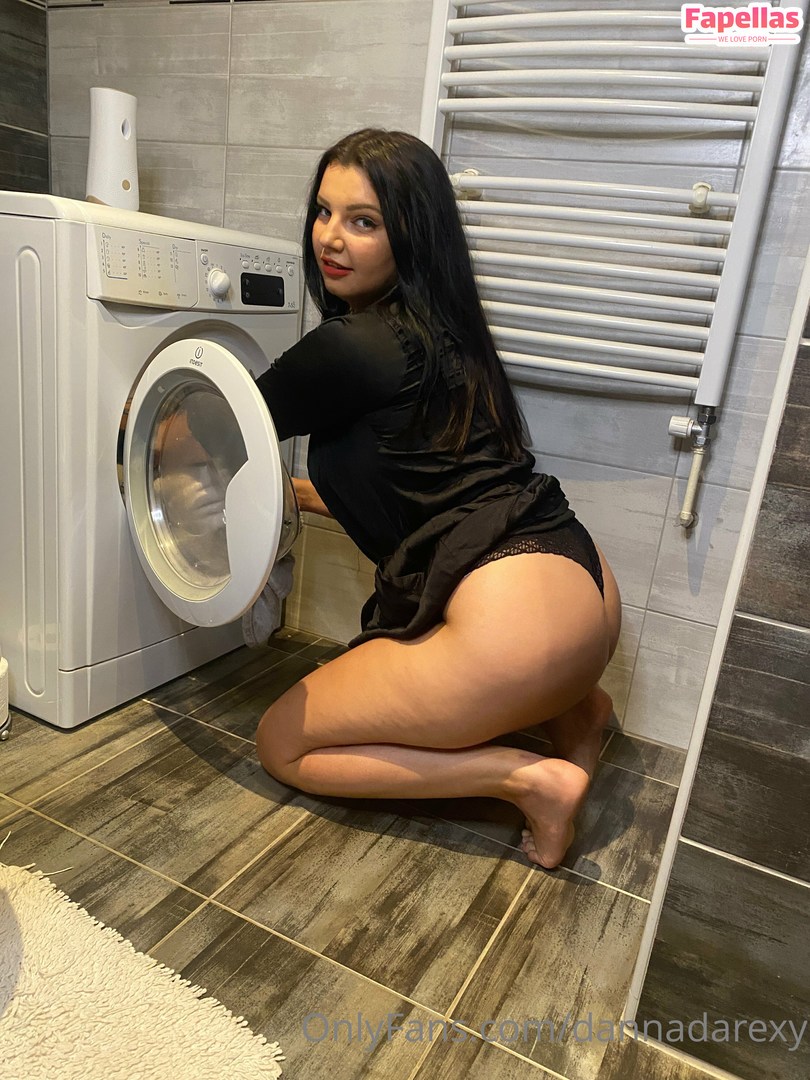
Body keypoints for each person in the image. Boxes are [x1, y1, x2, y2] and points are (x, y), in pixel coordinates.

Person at [254, 129, 621, 869]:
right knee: (519, 674)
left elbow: (219, 427)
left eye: (363, 221)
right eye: (323, 212)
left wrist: (138, 421)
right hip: (583, 592)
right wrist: (298, 496)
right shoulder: (450, 330)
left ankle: (527, 781)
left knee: (280, 745)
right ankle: (580, 716)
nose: (330, 238)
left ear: (410, 236)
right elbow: (434, 491)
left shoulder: (349, 346)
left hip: (511, 631)